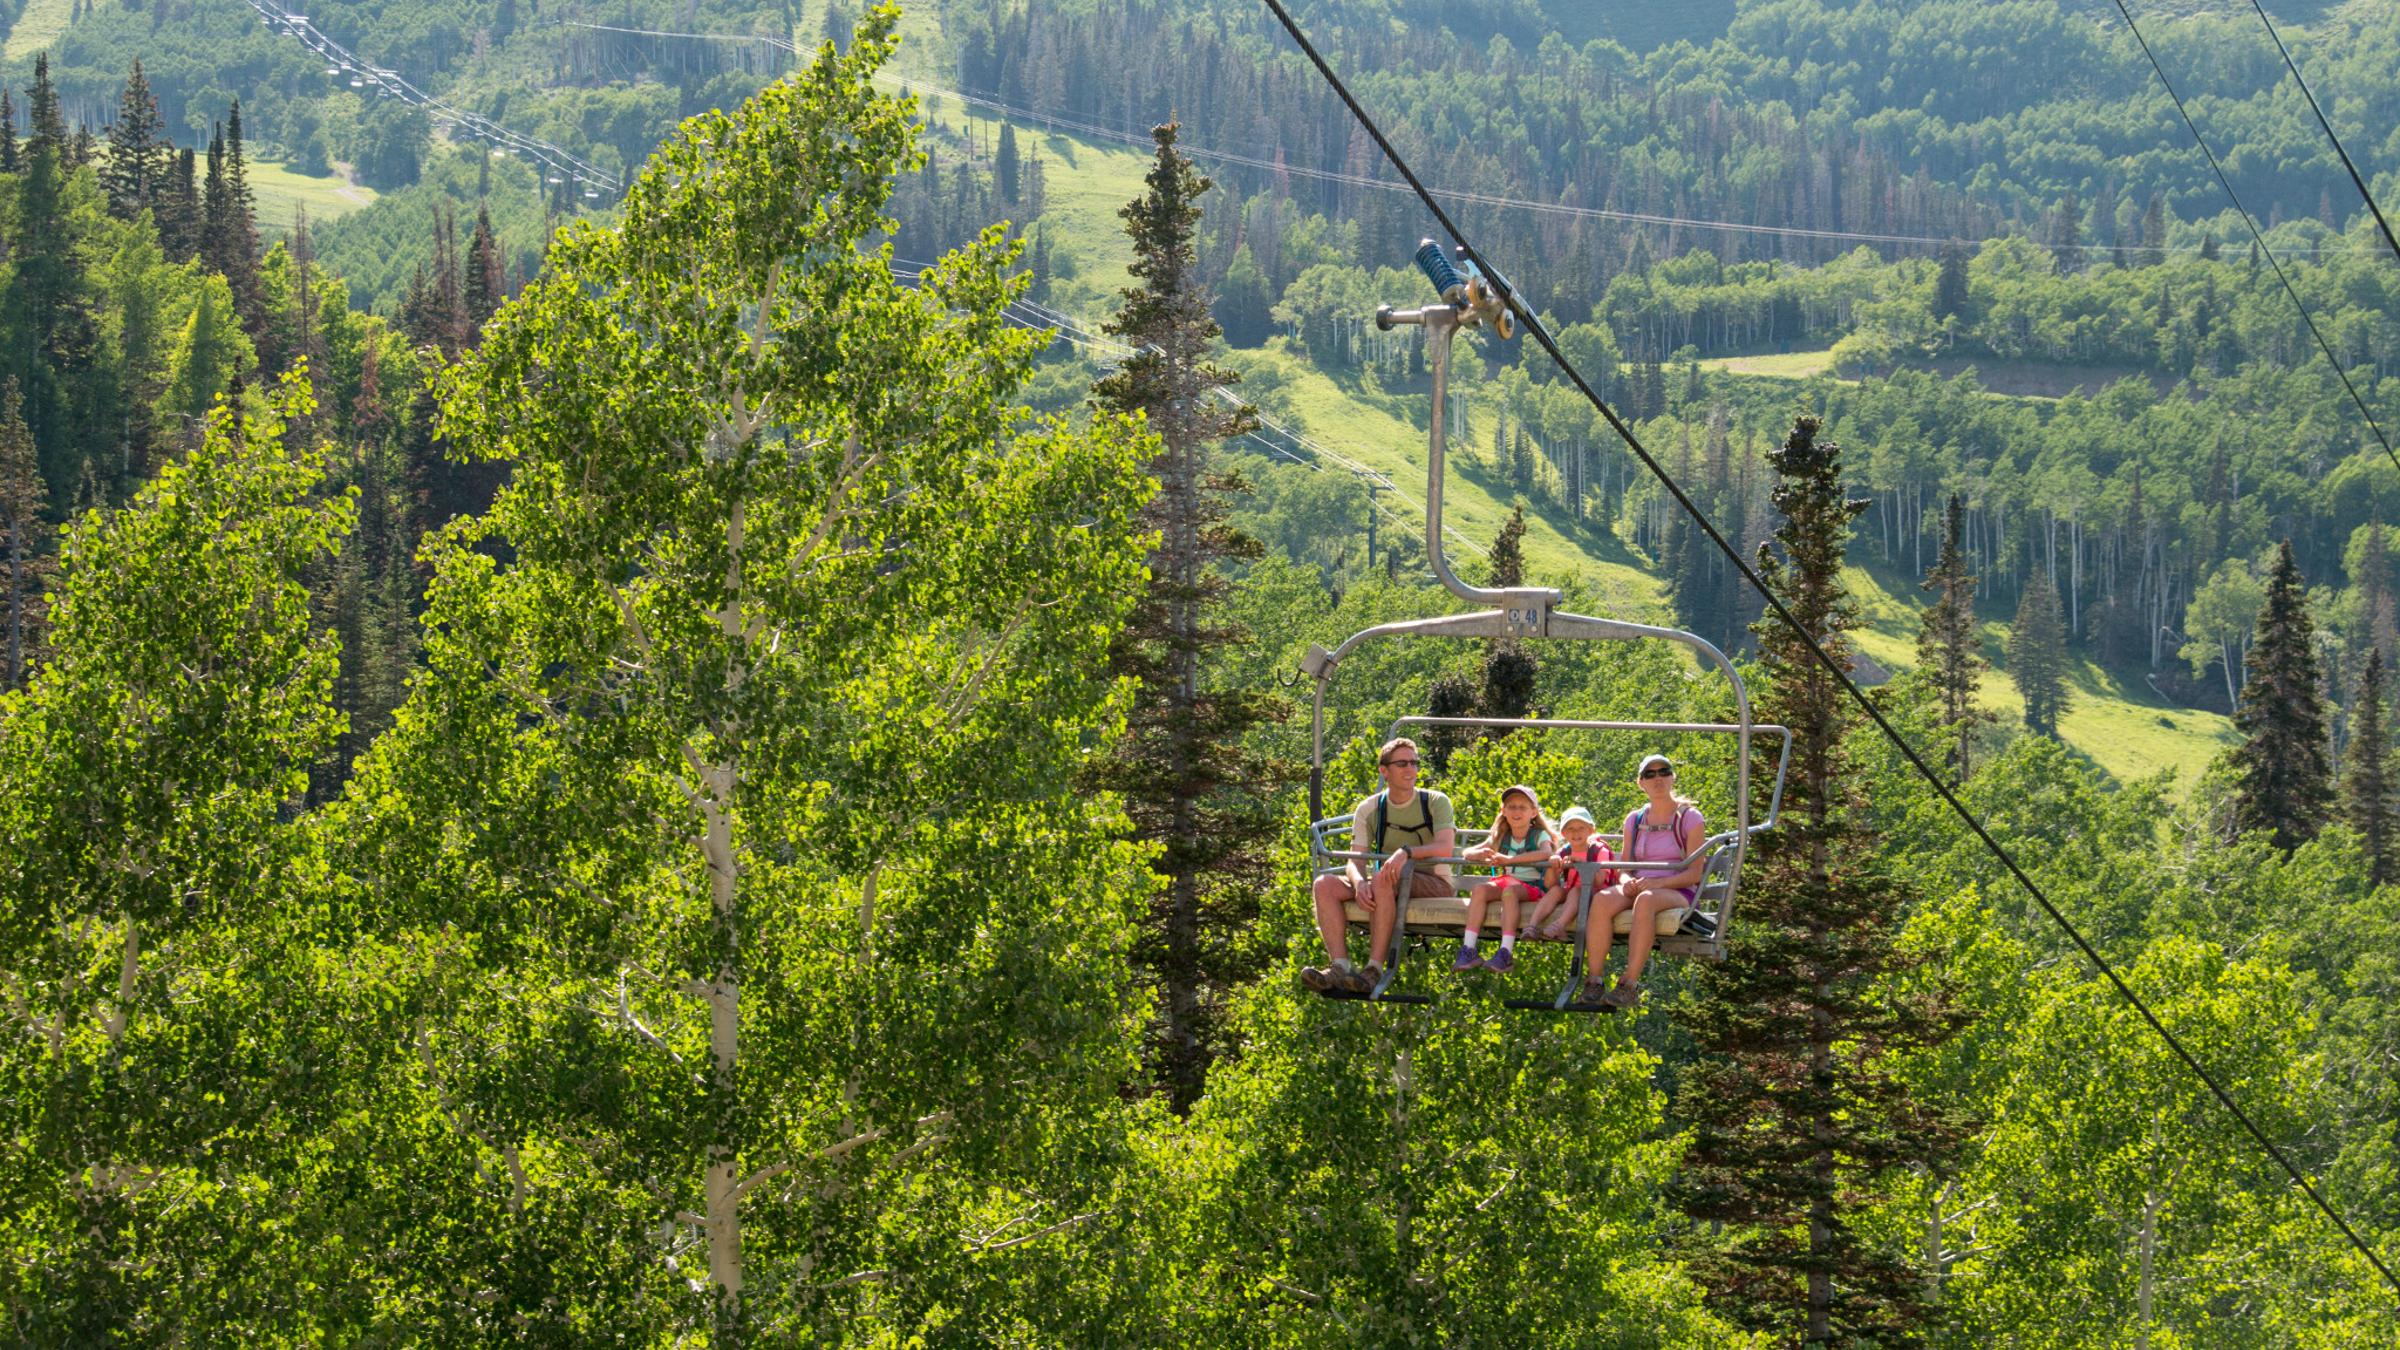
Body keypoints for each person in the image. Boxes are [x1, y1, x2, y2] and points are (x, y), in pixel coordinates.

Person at [1303, 737, 1456, 994]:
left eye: (1414, 763)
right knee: (1324, 884)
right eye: (1402, 764)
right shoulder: (1370, 809)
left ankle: (1373, 969)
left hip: (1432, 882)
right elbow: (1356, 859)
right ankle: (1339, 966)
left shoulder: (1435, 802)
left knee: (1386, 876)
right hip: (1385, 883)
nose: (1410, 769)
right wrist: (1359, 883)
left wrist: (1405, 853)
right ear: (1384, 771)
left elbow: (1444, 847)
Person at [1580, 754, 1705, 1011]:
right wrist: (1626, 881)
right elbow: (1625, 866)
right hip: (1643, 886)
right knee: (1603, 899)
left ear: (1672, 777)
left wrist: (1656, 885)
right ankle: (1595, 980)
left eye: (1664, 772)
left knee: (1646, 900)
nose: (1658, 778)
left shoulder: (1690, 818)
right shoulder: (1635, 820)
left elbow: (1695, 874)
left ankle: (1629, 984)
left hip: (1677, 890)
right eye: (1650, 774)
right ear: (1641, 783)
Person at [1453, 785, 1554, 974]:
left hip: (1531, 886)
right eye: (1511, 807)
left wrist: (1510, 860)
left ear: (1533, 812)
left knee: (1509, 893)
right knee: (1480, 889)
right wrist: (1478, 853)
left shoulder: (1539, 835)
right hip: (1508, 882)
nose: (1516, 811)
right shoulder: (1501, 835)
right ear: (1503, 811)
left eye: (1522, 807)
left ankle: (1505, 952)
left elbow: (1545, 853)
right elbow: (1468, 852)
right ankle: (1468, 949)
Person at [1527, 804, 1614, 943]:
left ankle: (1559, 926)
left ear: (1591, 830)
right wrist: (1552, 866)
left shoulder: (1598, 850)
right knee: (1556, 891)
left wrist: (1580, 864)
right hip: (1572, 891)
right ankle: (1531, 926)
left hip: (1597, 894)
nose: (1576, 833)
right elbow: (1550, 884)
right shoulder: (1564, 851)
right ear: (1564, 833)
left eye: (1581, 828)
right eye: (1571, 829)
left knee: (1575, 891)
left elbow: (1599, 881)